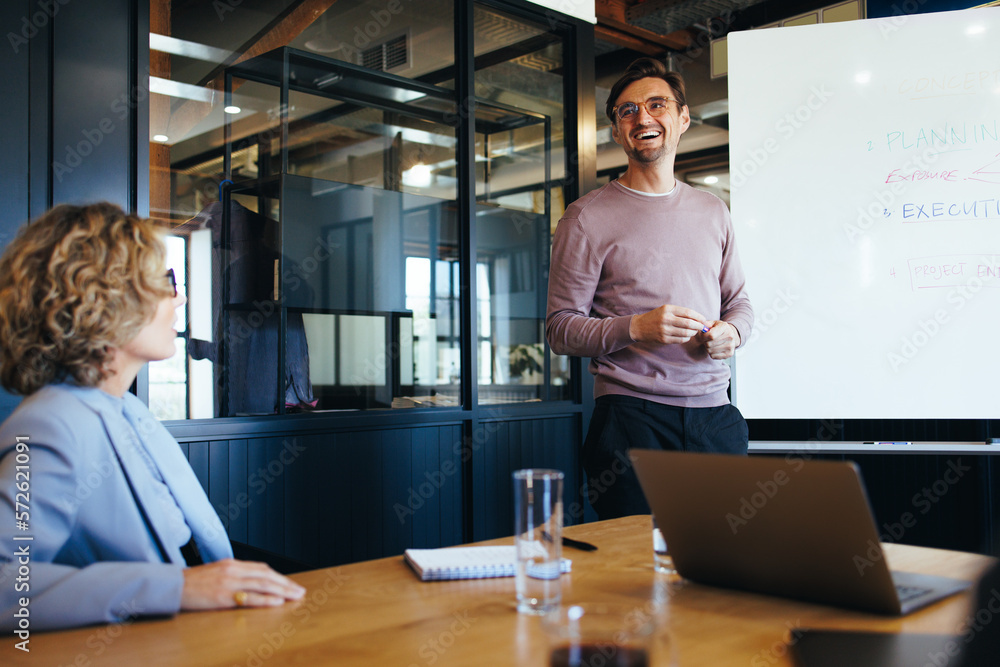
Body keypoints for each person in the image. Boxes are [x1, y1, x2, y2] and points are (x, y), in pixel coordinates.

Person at [0, 203, 305, 632]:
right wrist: (176, 588)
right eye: (165, 281)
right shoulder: (49, 426)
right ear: (103, 299)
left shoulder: (125, 408)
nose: (178, 296)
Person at [546, 58, 754, 520]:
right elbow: (560, 329)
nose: (642, 117)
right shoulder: (585, 217)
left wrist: (732, 334)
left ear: (682, 118)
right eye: (627, 110)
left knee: (723, 567)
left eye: (656, 104)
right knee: (637, 576)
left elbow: (738, 303)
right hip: (630, 420)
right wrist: (634, 327)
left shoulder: (713, 211)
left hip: (716, 419)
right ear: (618, 133)